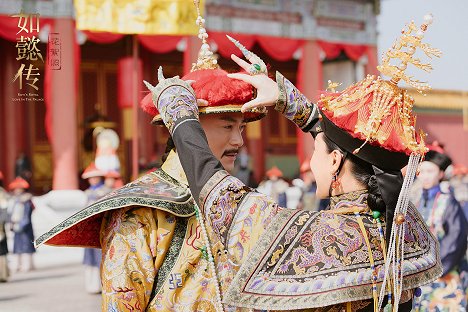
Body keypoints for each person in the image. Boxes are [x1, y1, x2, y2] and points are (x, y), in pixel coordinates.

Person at [142, 16, 442, 311]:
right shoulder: (402, 223)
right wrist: (290, 102)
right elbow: (347, 145)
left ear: (335, 161)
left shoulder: (324, 236)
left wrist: (180, 115)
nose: (311, 162)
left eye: (315, 150)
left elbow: (223, 199)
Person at [34, 8, 267, 311]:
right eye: (226, 125)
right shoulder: (138, 212)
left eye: (241, 127)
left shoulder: (242, 202)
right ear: (188, 127)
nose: (238, 140)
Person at [413, 142, 468, 311]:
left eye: (430, 171)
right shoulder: (415, 202)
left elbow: (456, 239)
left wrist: (436, 268)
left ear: (441, 173)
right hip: (419, 275)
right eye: (421, 171)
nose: (425, 176)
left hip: (444, 274)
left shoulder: (449, 202)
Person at [81, 162, 111, 294]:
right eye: (90, 178)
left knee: (102, 257)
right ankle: (92, 285)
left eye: (95, 177)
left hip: (101, 227)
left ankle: (104, 285)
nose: (92, 180)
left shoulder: (106, 192)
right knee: (90, 258)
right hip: (89, 229)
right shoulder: (87, 193)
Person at [7, 177, 35, 273]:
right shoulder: (14, 201)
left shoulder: (26, 200)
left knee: (26, 246)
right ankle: (18, 265)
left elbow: (27, 214)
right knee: (17, 247)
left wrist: (23, 225)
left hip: (25, 227)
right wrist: (11, 224)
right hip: (16, 226)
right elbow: (11, 214)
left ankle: (27, 265)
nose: (17, 191)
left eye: (19, 189)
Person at [0, 172, 10, 282]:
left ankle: (2, 274)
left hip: (0, 227)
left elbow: (4, 210)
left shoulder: (1, 193)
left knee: (1, 251)